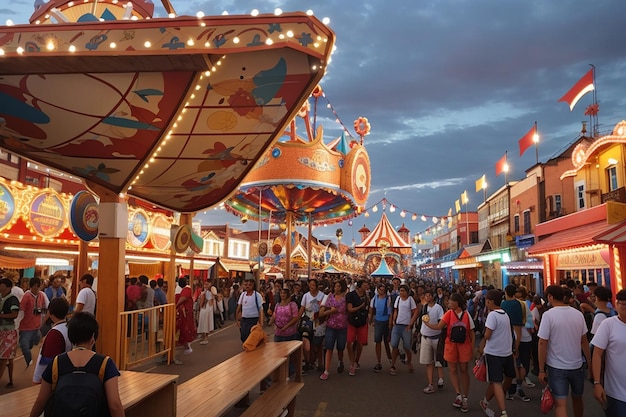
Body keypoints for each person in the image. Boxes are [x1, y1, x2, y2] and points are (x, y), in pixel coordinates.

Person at [29, 312, 124, 417]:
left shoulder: (57, 362)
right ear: (93, 337)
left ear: (71, 336)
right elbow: (114, 405)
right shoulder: (105, 363)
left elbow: (41, 401)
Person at [538, 285, 591, 417]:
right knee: (577, 398)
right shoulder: (578, 314)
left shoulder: (548, 315)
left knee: (561, 403)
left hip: (556, 366)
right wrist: (590, 362)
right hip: (577, 364)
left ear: (550, 296)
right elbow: (584, 341)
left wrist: (541, 369)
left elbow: (542, 343)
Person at [425, 292, 475, 413]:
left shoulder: (466, 314)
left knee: (463, 370)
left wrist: (472, 348)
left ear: (457, 302)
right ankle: (459, 394)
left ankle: (465, 397)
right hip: (451, 346)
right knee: (453, 370)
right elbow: (438, 326)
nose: (449, 303)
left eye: (451, 301)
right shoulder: (448, 314)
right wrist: (427, 324)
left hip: (463, 346)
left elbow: (471, 333)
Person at [478, 289, 515, 417]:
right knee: (500, 380)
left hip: (494, 353)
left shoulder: (492, 315)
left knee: (496, 382)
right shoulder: (504, 314)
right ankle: (502, 410)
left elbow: (487, 334)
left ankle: (489, 403)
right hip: (506, 352)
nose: (486, 303)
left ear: (490, 302)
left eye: (487, 301)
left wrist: (482, 341)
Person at [591, 289, 626, 417]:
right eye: (622, 304)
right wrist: (597, 383)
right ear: (616, 304)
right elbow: (597, 354)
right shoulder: (608, 324)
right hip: (616, 392)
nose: (624, 308)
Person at [33, 297, 72, 384]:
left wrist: (37, 378)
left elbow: (47, 361)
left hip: (54, 380)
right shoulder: (68, 328)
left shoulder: (55, 333)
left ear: (50, 313)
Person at [319, 279, 348, 381]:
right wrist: (330, 311)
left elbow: (345, 310)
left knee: (340, 347)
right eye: (335, 286)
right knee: (329, 347)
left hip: (342, 326)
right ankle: (326, 370)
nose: (337, 288)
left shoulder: (345, 298)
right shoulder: (330, 296)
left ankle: (340, 361)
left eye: (339, 286)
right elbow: (323, 310)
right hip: (330, 325)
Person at [419, 289, 445, 393]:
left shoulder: (438, 308)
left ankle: (440, 378)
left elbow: (441, 322)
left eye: (429, 295)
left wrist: (432, 326)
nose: (427, 297)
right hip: (425, 336)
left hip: (437, 337)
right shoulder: (424, 307)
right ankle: (430, 384)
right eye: (426, 295)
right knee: (428, 362)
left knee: (438, 360)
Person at [389, 284, 418, 376]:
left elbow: (415, 312)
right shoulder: (398, 299)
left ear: (407, 292)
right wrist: (393, 320)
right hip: (397, 325)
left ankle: (409, 362)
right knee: (394, 345)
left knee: (406, 346)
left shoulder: (410, 300)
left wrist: (410, 323)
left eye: (403, 291)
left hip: (406, 326)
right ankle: (393, 365)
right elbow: (396, 310)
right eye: (400, 291)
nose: (402, 293)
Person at [19, 277, 47, 368]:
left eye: (38, 287)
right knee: (24, 344)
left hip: (37, 325)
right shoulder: (26, 296)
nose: (36, 289)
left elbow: (44, 307)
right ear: (31, 287)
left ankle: (29, 353)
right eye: (35, 287)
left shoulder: (41, 295)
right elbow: (21, 310)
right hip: (26, 326)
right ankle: (28, 359)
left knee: (34, 342)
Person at [298, 278, 325, 373]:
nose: (311, 287)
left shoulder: (322, 296)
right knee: (306, 341)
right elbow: (302, 308)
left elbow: (324, 308)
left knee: (318, 344)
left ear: (317, 286)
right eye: (310, 285)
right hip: (307, 320)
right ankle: (308, 362)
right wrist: (297, 319)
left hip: (319, 321)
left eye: (313, 285)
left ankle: (320, 363)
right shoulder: (306, 296)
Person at [345, 279, 370, 376]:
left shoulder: (366, 296)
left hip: (362, 321)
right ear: (359, 286)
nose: (366, 286)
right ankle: (352, 363)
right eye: (364, 285)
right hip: (352, 321)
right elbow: (349, 309)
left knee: (360, 343)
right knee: (350, 342)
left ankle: (356, 361)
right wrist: (360, 306)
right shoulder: (350, 295)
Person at [0, 277, 20, 387]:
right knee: (7, 357)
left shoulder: (12, 299)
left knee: (4, 357)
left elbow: (14, 314)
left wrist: (1, 316)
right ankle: (10, 379)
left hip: (8, 331)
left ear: (7, 287)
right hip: (5, 330)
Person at [369, 282, 392, 373]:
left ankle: (391, 360)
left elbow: (390, 313)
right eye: (380, 289)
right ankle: (379, 362)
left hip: (386, 322)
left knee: (386, 341)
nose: (381, 291)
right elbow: (371, 310)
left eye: (383, 290)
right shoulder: (374, 299)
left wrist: (390, 324)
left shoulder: (388, 299)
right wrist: (370, 320)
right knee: (378, 341)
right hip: (378, 322)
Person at [236, 278, 264, 343]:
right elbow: (239, 307)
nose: (247, 286)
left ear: (253, 285)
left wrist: (261, 322)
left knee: (252, 337)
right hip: (244, 320)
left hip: (254, 319)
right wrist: (237, 320)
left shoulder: (257, 295)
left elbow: (261, 309)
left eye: (250, 285)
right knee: (243, 336)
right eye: (245, 284)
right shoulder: (242, 295)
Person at [175, 276, 195, 354]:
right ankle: (186, 346)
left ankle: (187, 347)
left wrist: (176, 305)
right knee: (182, 330)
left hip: (184, 314)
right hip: (182, 313)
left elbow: (182, 298)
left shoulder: (186, 289)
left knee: (184, 330)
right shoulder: (183, 289)